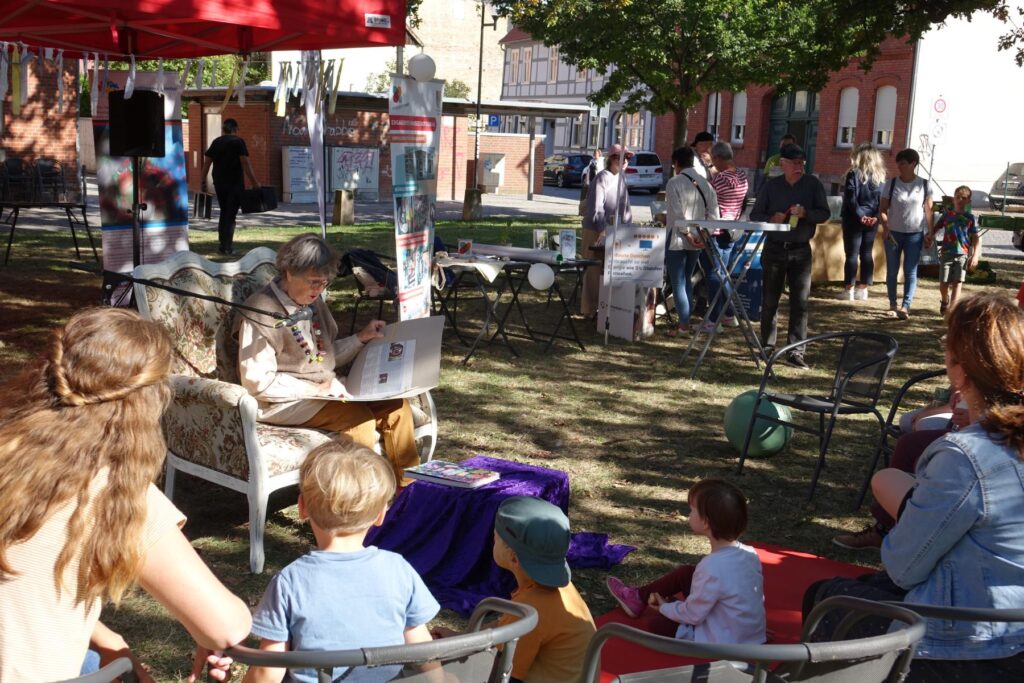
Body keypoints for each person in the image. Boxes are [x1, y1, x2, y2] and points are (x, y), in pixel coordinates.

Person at [0, 308, 252, 681]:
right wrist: (220, 627)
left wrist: (107, 638)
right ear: (148, 400)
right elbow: (226, 628)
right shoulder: (114, 493)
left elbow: (22, 591)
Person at [805, 292, 1024, 680]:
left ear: (959, 370)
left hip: (972, 647)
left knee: (825, 598)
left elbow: (904, 567)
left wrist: (906, 502)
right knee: (861, 587)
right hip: (1007, 627)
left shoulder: (966, 457)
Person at [243, 439, 440, 683]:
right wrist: (441, 680)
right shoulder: (398, 568)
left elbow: (268, 671)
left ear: (302, 508)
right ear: (381, 515)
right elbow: (421, 647)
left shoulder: (290, 581)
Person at [236, 233, 420, 485]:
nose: (318, 290)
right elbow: (257, 382)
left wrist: (360, 338)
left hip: (322, 393)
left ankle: (409, 491)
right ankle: (359, 497)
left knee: (397, 407)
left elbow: (322, 357)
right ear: (289, 272)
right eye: (313, 282)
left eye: (324, 283)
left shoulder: (312, 303)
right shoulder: (260, 312)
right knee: (359, 420)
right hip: (282, 402)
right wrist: (315, 389)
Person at [434, 496, 596, 683]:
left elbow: (503, 676)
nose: (492, 541)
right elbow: (503, 627)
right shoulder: (562, 588)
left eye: (495, 538)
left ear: (513, 558)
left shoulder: (530, 608)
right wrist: (460, 639)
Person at [605, 479, 765, 644]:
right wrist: (751, 629)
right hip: (745, 634)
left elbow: (693, 615)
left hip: (722, 642)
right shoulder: (750, 554)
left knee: (658, 625)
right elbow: (751, 599)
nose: (689, 514)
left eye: (692, 510)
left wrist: (664, 608)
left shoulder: (711, 566)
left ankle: (647, 599)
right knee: (687, 573)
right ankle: (638, 597)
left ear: (706, 522)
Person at [749, 143, 830, 368]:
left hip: (800, 250)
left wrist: (806, 214)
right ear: (782, 164)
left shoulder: (812, 185)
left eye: (802, 163)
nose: (799, 167)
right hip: (774, 248)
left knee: (800, 302)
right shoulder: (771, 186)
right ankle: (767, 346)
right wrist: (770, 218)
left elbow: (825, 213)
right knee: (769, 300)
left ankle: (796, 351)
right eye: (794, 163)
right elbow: (755, 215)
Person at [663, 146, 719, 335]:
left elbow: (677, 213)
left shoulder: (674, 182)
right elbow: (714, 213)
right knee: (686, 278)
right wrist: (705, 235)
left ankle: (683, 325)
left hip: (678, 237)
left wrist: (687, 233)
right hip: (699, 237)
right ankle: (684, 321)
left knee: (678, 281)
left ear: (676, 163)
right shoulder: (706, 184)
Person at [879, 148, 934, 320]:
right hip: (893, 234)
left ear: (913, 164)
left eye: (903, 163)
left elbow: (929, 211)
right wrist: (885, 228)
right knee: (892, 271)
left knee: (910, 271)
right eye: (898, 163)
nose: (899, 166)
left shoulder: (924, 184)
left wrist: (930, 233)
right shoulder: (891, 183)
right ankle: (892, 304)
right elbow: (882, 209)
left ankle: (906, 306)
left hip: (914, 235)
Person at [581, 143, 633, 318]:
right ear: (611, 159)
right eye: (620, 157)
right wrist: (602, 231)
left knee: (610, 270)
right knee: (594, 270)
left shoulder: (622, 178)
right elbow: (596, 209)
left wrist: (629, 228)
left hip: (616, 231)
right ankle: (589, 309)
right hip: (595, 230)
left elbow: (625, 208)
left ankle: (607, 307)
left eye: (627, 158)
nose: (624, 161)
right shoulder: (602, 177)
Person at [706, 141, 750, 330]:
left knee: (715, 274)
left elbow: (707, 198)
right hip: (732, 230)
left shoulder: (721, 178)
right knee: (723, 273)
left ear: (717, 158)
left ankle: (714, 319)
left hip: (717, 230)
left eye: (713, 160)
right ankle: (729, 315)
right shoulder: (742, 176)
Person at [202, 118, 261, 255]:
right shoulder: (238, 142)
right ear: (235, 129)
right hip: (234, 183)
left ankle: (223, 243)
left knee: (224, 212)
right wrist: (254, 182)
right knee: (230, 214)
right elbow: (245, 162)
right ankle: (226, 246)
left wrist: (202, 181)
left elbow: (207, 163)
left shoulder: (216, 142)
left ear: (223, 129)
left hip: (219, 183)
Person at [838, 143, 885, 301]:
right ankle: (863, 289)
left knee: (852, 254)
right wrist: (875, 216)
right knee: (866, 253)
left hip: (853, 218)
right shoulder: (880, 176)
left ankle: (849, 289)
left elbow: (851, 198)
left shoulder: (853, 174)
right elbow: (882, 201)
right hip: (872, 219)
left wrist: (860, 216)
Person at [931, 185, 980, 315]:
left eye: (963, 198)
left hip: (962, 254)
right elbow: (936, 228)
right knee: (944, 282)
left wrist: (975, 255)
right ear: (953, 199)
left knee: (958, 282)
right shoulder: (947, 215)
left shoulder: (970, 218)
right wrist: (929, 237)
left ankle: (953, 309)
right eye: (957, 197)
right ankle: (944, 300)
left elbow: (975, 237)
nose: (960, 200)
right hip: (947, 252)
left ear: (968, 201)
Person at [578, 148, 604, 215]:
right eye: (594, 153)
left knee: (596, 197)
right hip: (590, 181)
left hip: (597, 182)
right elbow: (587, 170)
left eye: (596, 153)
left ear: (599, 154)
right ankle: (584, 211)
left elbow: (600, 171)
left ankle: (595, 211)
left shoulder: (601, 162)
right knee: (586, 196)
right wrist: (585, 180)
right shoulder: (592, 161)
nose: (594, 155)